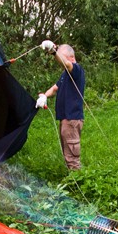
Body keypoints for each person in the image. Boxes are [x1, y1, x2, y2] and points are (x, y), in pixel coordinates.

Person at [36, 40, 86, 170]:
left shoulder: (76, 70)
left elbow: (67, 64)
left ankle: (77, 184)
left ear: (71, 57)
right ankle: (72, 180)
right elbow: (54, 88)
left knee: (72, 158)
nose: (59, 60)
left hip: (72, 119)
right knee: (67, 154)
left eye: (61, 56)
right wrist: (44, 96)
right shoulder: (65, 74)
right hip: (65, 119)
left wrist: (53, 51)